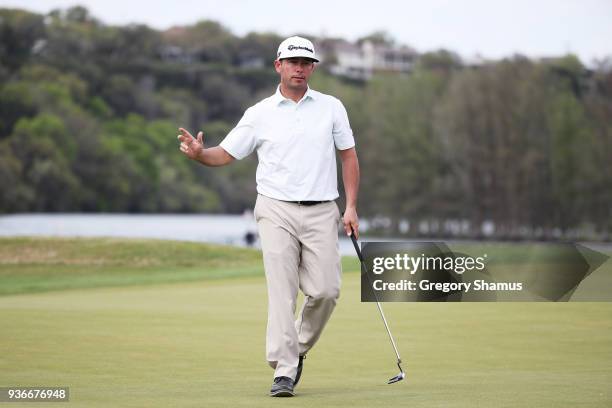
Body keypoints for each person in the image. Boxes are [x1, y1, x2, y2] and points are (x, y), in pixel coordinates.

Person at [177, 35, 360, 397]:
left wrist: (351, 206)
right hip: (275, 209)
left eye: (306, 63)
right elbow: (225, 155)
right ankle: (284, 372)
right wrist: (199, 154)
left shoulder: (331, 107)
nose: (300, 68)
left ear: (313, 68)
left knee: (326, 291)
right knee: (283, 292)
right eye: (293, 62)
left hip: (323, 209)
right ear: (279, 65)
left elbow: (349, 157)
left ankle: (296, 349)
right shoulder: (259, 113)